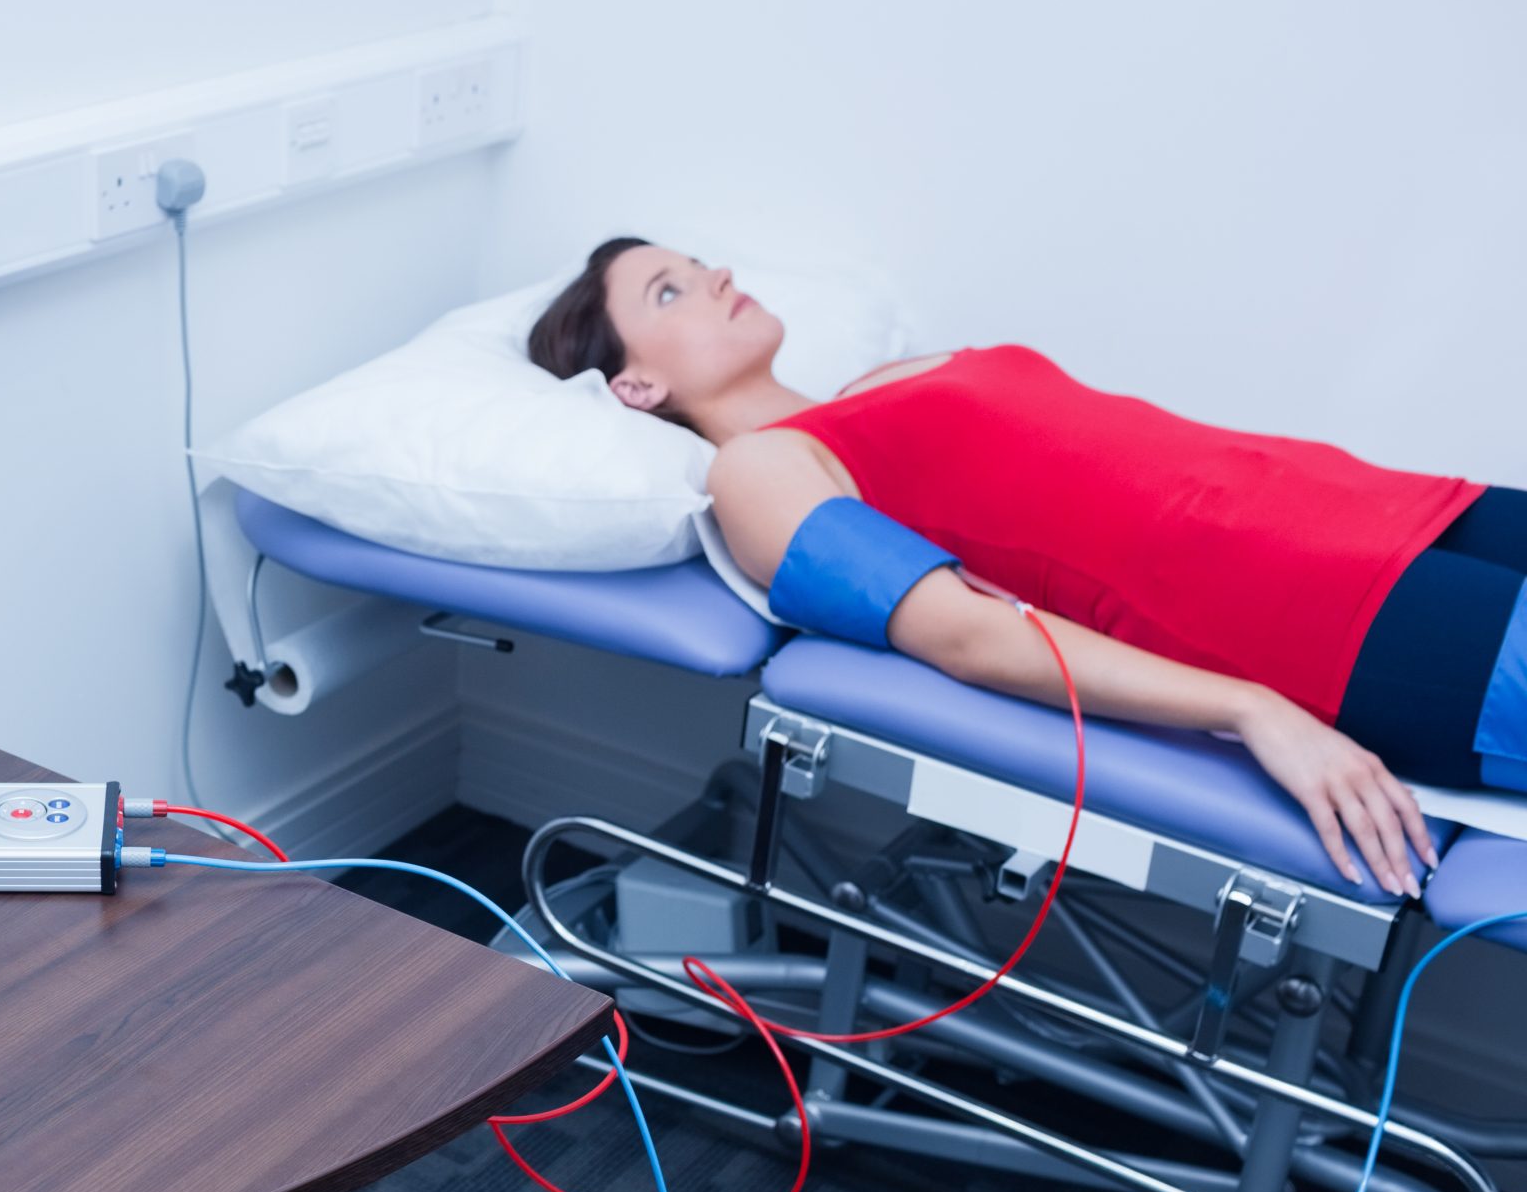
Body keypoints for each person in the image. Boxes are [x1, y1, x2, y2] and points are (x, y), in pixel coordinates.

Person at [528, 235, 1512, 903]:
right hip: (1352, 621)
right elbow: (963, 631)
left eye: (697, 264)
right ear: (636, 385)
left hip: (1414, 508)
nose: (713, 276)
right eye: (669, 291)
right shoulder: (762, 470)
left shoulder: (877, 385)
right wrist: (1253, 707)